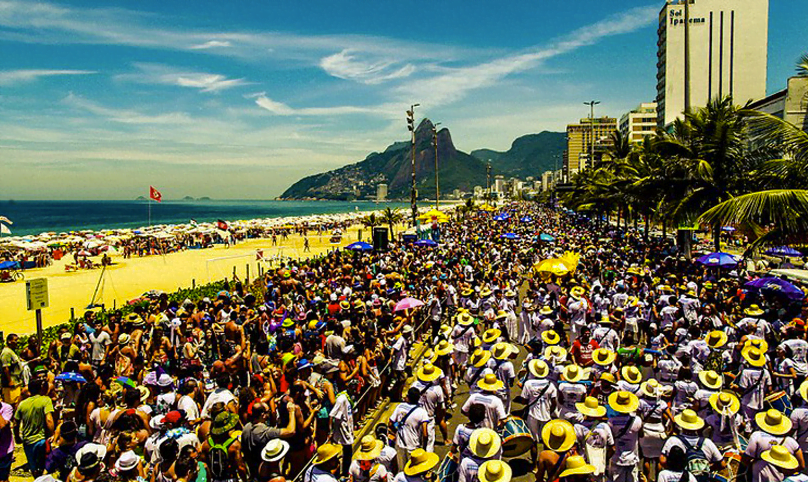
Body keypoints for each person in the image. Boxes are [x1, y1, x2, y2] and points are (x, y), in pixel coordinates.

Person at [14, 379, 54, 477]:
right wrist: (52, 434)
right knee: (44, 468)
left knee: (34, 470)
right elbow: (49, 420)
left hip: (28, 441)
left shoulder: (22, 404)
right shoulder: (45, 400)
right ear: (41, 388)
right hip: (41, 440)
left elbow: (16, 423)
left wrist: (17, 437)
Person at [389, 387, 430, 472]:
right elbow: (425, 434)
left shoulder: (400, 406)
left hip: (400, 444)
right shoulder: (422, 412)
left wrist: (396, 433)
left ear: (408, 397)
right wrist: (424, 448)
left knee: (402, 471)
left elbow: (390, 424)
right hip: (414, 445)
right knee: (414, 471)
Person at [0, 334, 23, 406]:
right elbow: (5, 368)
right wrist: (10, 381)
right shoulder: (6, 352)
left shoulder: (11, 351)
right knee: (12, 404)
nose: (17, 342)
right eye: (15, 340)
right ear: (9, 341)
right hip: (10, 384)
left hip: (16, 382)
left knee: (17, 402)